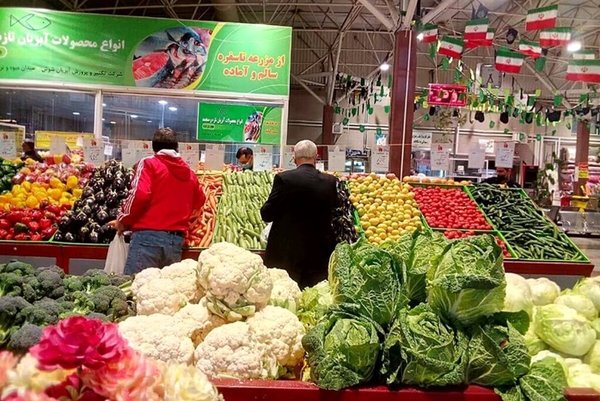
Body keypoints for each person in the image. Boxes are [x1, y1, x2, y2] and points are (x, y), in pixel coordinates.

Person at [111, 128, 205, 274]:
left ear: (154, 147)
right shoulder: (190, 173)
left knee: (137, 285)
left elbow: (139, 194)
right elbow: (199, 201)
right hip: (175, 242)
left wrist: (123, 220)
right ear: (176, 147)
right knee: (165, 286)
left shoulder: (148, 163)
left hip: (147, 238)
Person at [260, 140, 338, 288]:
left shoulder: (284, 179)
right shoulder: (330, 181)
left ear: (294, 158)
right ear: (316, 157)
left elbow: (267, 214)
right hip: (318, 254)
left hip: (287, 253)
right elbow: (335, 213)